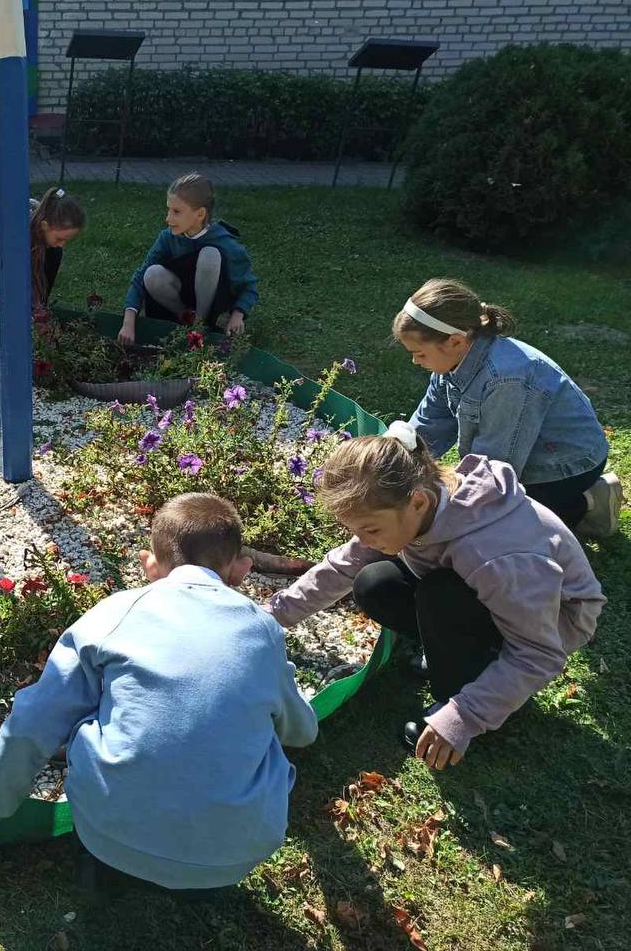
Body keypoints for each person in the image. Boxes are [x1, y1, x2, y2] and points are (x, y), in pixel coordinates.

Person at [0, 493, 318, 893]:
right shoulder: (263, 631)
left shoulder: (113, 614)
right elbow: (300, 732)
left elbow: (34, 719)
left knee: (87, 716)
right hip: (234, 855)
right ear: (241, 570)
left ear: (149, 565)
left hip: (108, 837)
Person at [266, 427, 605, 771]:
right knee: (374, 583)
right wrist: (269, 617)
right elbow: (343, 566)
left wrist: (463, 717)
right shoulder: (414, 503)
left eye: (370, 530)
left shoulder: (490, 554)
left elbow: (540, 653)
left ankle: (462, 689)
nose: (364, 541)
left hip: (553, 623)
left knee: (441, 597)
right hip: (493, 597)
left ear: (417, 502)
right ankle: (465, 657)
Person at [398, 278, 620, 538]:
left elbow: (495, 471)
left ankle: (588, 500)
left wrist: (447, 496)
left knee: (502, 530)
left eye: (420, 353)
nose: (415, 361)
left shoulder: (507, 379)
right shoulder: (450, 361)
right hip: (523, 454)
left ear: (456, 341)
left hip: (564, 465)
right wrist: (396, 455)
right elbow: (429, 423)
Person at [119, 173, 257, 346]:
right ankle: (186, 318)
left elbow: (248, 286)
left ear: (199, 214)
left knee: (210, 255)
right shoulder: (167, 238)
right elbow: (140, 277)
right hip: (178, 301)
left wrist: (238, 315)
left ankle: (201, 324)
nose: (168, 218)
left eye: (176, 212)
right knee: (152, 273)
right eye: (168, 210)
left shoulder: (226, 243)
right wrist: (128, 322)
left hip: (212, 305)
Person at [0, 187, 86, 315]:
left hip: (6, 269)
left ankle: (39, 306)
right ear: (44, 225)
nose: (62, 244)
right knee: (16, 303)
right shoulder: (19, 236)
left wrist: (38, 304)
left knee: (54, 253)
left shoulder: (37, 230)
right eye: (59, 238)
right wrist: (31, 306)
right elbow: (17, 279)